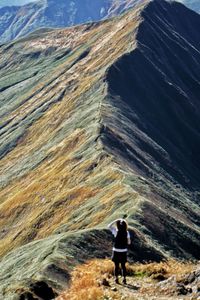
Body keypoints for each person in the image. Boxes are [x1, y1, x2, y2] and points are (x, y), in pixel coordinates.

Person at [108, 218, 131, 284]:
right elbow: (129, 242)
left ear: (118, 225)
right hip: (123, 250)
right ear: (125, 225)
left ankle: (116, 279)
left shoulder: (115, 231)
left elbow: (109, 226)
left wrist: (116, 220)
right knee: (123, 265)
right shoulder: (127, 232)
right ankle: (124, 279)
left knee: (116, 265)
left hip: (116, 250)